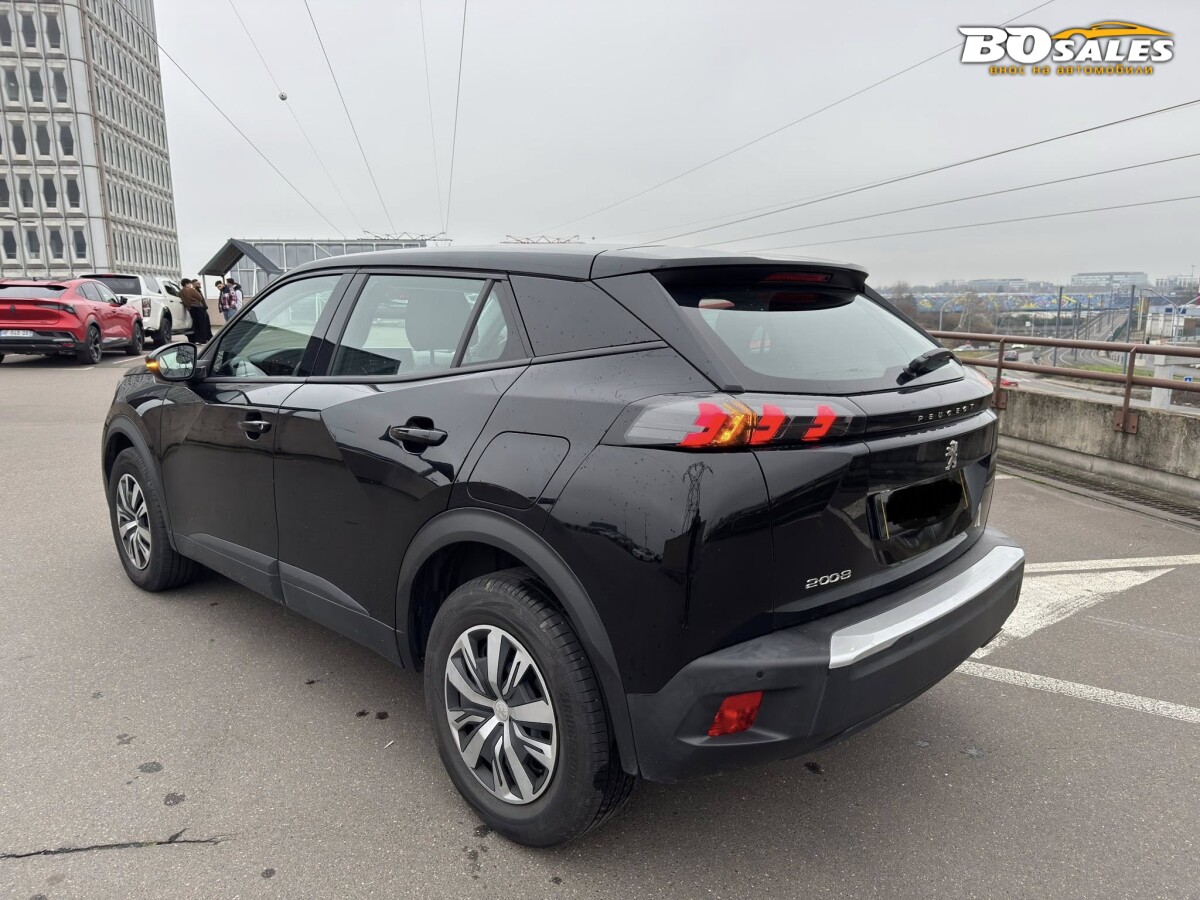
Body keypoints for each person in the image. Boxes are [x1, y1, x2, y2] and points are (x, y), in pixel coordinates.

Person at [179, 278, 212, 343]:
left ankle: (198, 339)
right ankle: (203, 339)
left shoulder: (181, 292)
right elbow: (199, 297)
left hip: (191, 309)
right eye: (189, 284)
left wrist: (188, 307)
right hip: (198, 307)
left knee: (196, 324)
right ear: (186, 284)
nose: (190, 285)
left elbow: (184, 301)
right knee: (202, 324)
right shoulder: (192, 290)